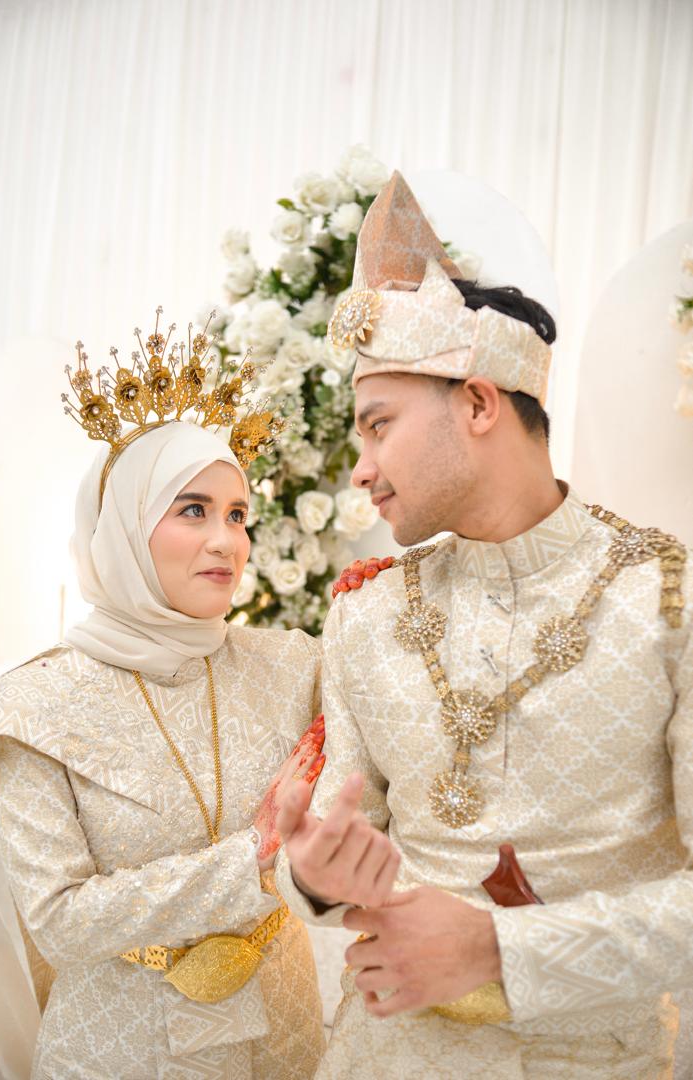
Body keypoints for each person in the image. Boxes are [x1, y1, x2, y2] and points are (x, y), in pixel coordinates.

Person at [275, 172, 692, 1078]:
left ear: (475, 403)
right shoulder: (365, 614)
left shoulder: (668, 600)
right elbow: (341, 832)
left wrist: (501, 951)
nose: (361, 469)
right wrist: (312, 875)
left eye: (378, 426)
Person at [0, 322, 327, 1080]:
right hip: (122, 1048)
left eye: (238, 514)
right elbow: (60, 921)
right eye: (193, 510)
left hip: (285, 1028)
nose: (228, 541)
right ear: (125, 529)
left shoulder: (291, 666)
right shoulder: (35, 702)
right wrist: (254, 855)